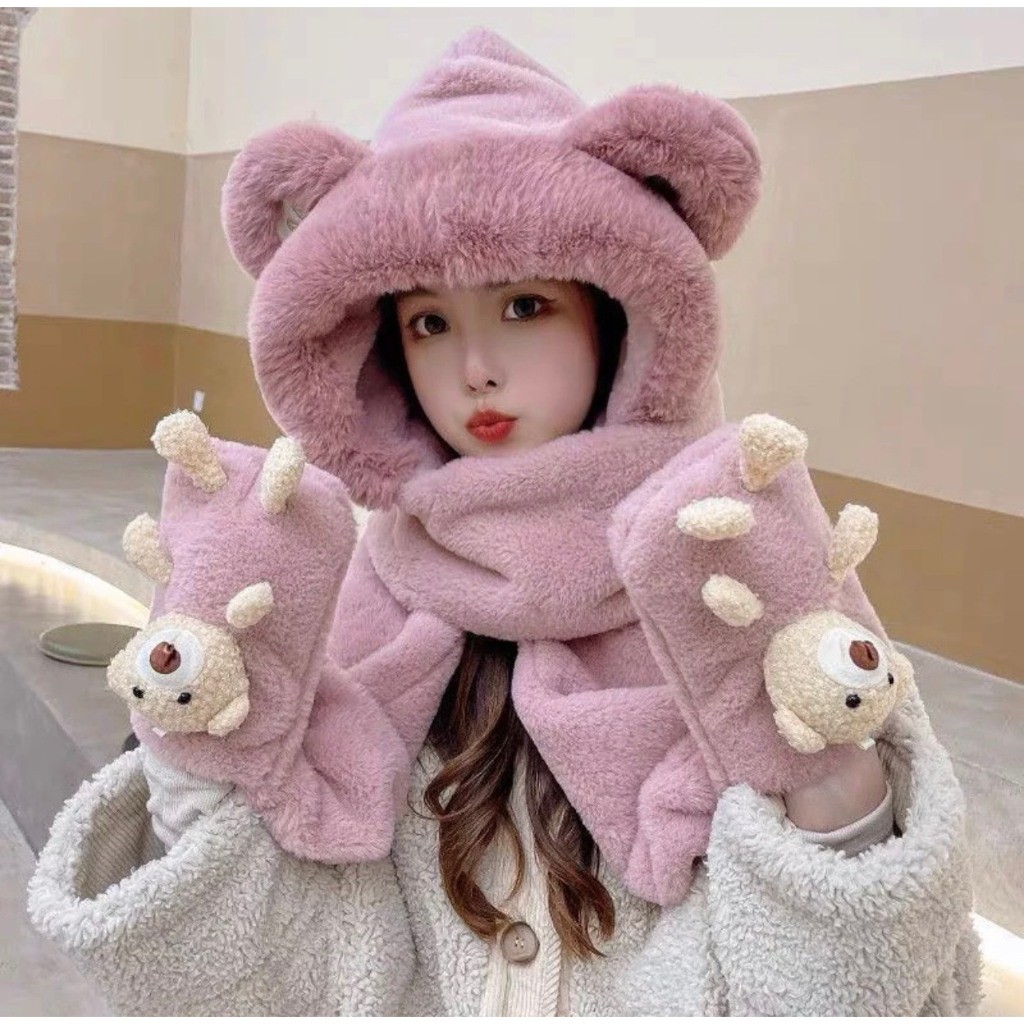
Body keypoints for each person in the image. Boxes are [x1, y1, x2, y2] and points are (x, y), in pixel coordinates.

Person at [28, 28, 981, 1016]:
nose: (474, 368)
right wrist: (200, 741)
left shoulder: (733, 567)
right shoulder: (356, 605)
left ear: (613, 314)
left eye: (524, 305)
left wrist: (820, 772)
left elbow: (863, 985)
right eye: (429, 322)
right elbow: (278, 977)